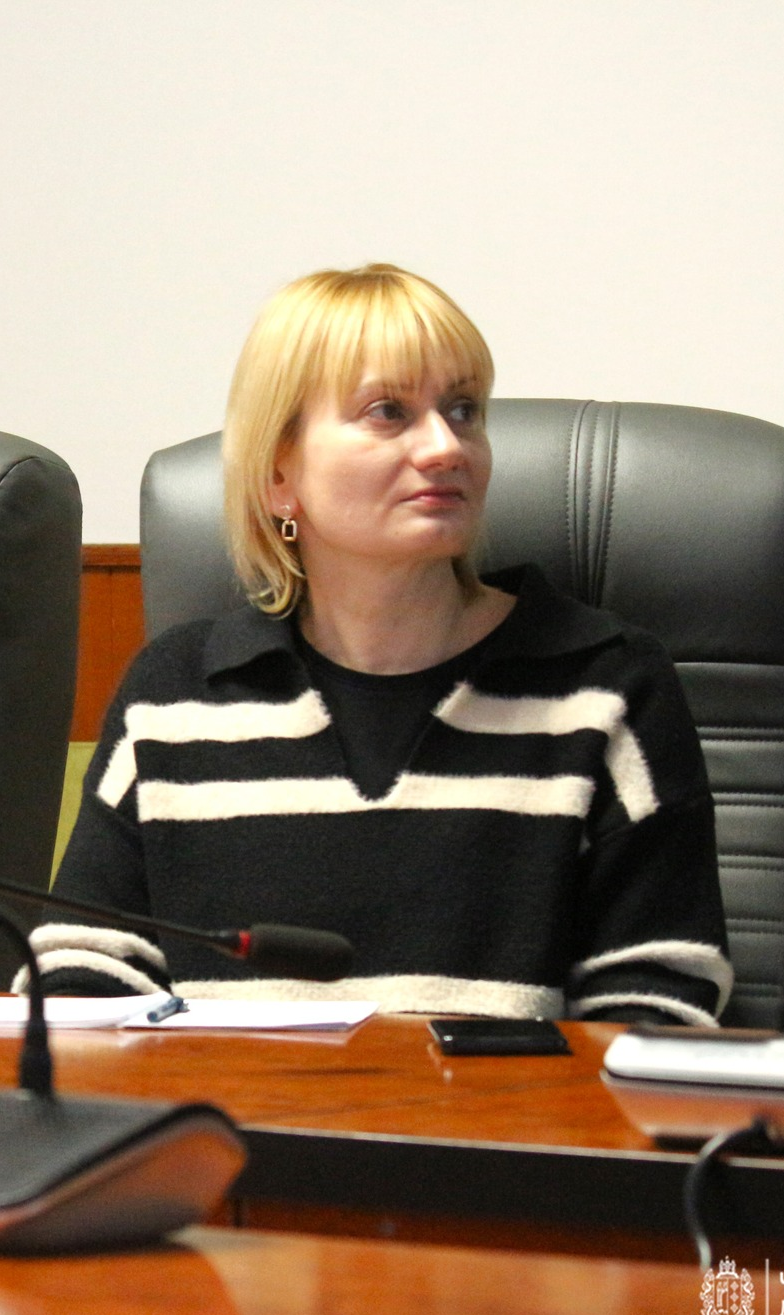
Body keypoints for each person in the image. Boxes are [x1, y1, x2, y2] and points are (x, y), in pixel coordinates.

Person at [37, 265, 730, 1025]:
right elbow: (81, 976)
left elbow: (656, 1001)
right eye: (389, 412)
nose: (446, 446)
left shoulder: (604, 684)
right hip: (225, 1103)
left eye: (464, 410)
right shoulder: (174, 693)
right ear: (278, 473)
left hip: (508, 1105)